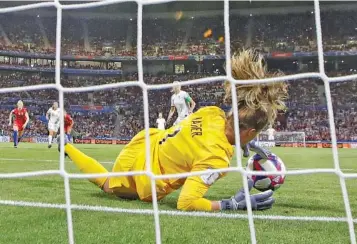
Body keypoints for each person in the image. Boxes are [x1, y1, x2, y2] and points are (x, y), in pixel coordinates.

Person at [59, 49, 287, 211]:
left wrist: (242, 140)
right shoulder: (217, 159)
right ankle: (67, 146)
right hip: (148, 174)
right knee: (107, 186)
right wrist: (231, 204)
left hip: (145, 142)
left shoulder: (212, 112)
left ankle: (67, 146)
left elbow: (223, 127)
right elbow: (186, 203)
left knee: (109, 180)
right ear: (249, 132)